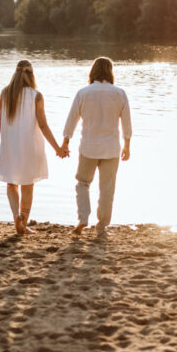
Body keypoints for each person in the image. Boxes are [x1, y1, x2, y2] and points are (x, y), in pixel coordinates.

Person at [61, 56, 132, 236]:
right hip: (111, 148)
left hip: (89, 147)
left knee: (83, 183)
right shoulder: (119, 93)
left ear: (93, 71)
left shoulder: (83, 93)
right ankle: (101, 226)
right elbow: (127, 123)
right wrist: (127, 144)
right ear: (110, 72)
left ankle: (83, 218)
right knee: (107, 188)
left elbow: (71, 120)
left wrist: (66, 141)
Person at [0, 60, 67, 235]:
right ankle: (24, 220)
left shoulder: (5, 94)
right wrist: (58, 148)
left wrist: (7, 143)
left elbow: (1, 124)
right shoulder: (36, 96)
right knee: (27, 185)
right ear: (31, 75)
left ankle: (16, 216)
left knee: (11, 182)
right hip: (29, 146)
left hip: (10, 145)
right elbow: (43, 125)